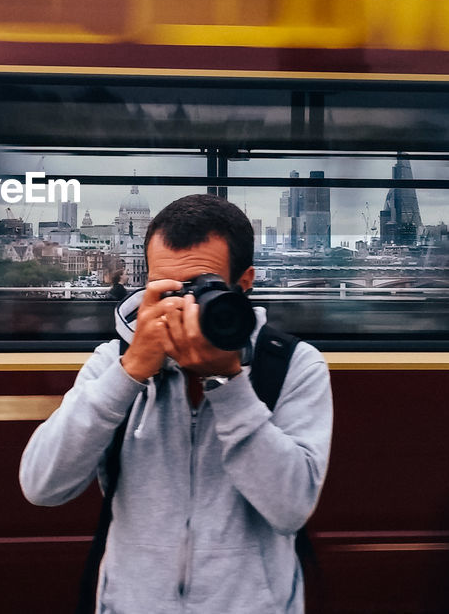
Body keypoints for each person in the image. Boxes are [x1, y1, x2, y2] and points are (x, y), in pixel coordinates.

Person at [20, 194, 333, 613]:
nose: (184, 306)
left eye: (203, 289)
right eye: (167, 290)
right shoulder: (113, 364)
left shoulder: (293, 366)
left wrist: (227, 383)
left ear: (244, 284)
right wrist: (129, 372)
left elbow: (291, 507)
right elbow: (42, 485)